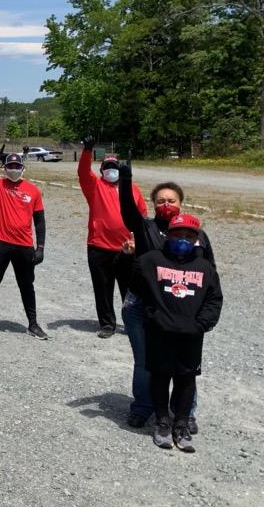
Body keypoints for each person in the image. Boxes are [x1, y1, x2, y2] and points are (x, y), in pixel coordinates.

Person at [119, 163, 215, 431]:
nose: (166, 204)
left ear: (181, 203)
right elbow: (127, 210)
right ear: (152, 204)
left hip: (182, 306)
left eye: (171, 200)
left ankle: (185, 413)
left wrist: (203, 316)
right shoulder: (145, 227)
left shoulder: (197, 235)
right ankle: (143, 407)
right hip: (143, 305)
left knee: (185, 365)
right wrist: (125, 181)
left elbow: (209, 275)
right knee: (146, 361)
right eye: (160, 201)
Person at [130, 214, 222, 452]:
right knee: (159, 376)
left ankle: (180, 424)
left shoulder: (205, 267)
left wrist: (201, 324)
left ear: (197, 239)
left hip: (191, 334)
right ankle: (162, 421)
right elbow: (136, 288)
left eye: (189, 236)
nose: (183, 239)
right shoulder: (151, 260)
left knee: (186, 379)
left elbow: (214, 299)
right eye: (177, 234)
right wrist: (153, 315)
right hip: (160, 331)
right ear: (167, 236)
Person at [0, 153, 48, 340]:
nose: (13, 169)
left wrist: (40, 247)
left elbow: (39, 221)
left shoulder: (34, 191)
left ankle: (33, 323)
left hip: (24, 245)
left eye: (16, 166)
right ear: (5, 169)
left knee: (26, 285)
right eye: (10, 166)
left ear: (22, 168)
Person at [78, 137, 147, 338]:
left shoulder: (133, 189)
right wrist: (87, 151)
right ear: (101, 171)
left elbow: (142, 216)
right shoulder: (95, 186)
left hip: (127, 248)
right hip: (99, 247)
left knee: (130, 289)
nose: (110, 170)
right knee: (103, 288)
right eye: (107, 167)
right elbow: (83, 172)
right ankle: (107, 324)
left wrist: (140, 242)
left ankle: (133, 322)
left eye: (114, 167)